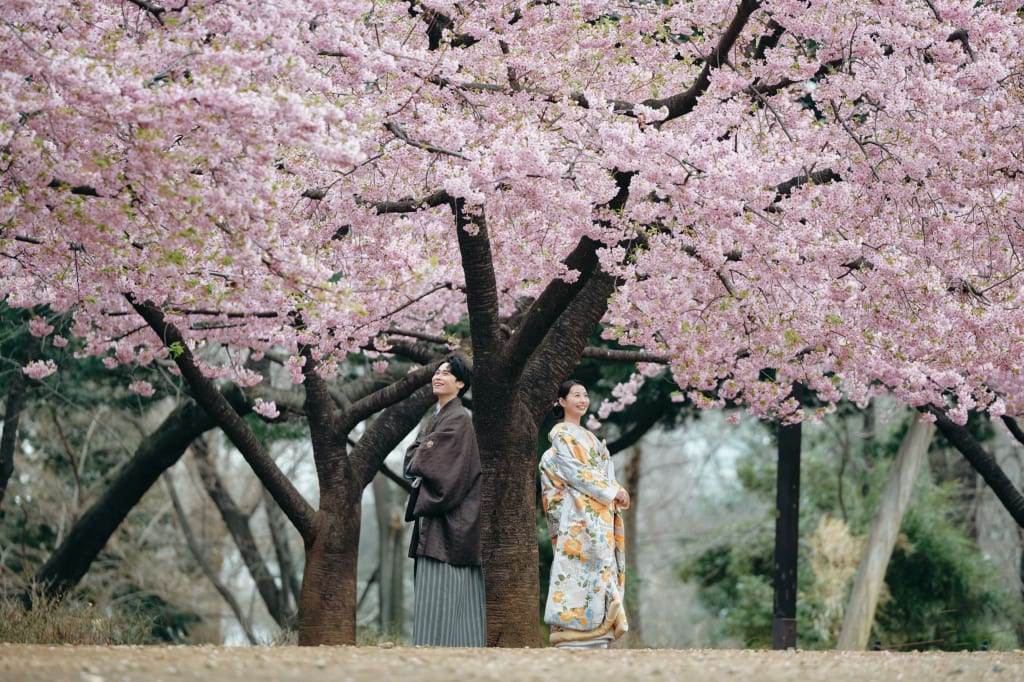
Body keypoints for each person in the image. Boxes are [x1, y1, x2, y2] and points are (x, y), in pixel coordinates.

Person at [539, 379, 630, 649]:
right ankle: (570, 632)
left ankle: (599, 632)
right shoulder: (560, 435)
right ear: (562, 401)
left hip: (597, 513)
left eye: (585, 395)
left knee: (602, 567)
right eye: (576, 395)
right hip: (576, 515)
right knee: (574, 570)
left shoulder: (591, 438)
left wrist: (616, 489)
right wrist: (611, 491)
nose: (582, 400)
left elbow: (603, 473)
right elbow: (574, 472)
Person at [403, 354, 486, 646]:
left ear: (460, 383)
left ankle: (446, 648)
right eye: (437, 372)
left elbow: (433, 466)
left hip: (453, 520)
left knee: (449, 589)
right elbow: (413, 458)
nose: (438, 377)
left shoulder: (459, 420)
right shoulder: (439, 418)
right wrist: (422, 456)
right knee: (437, 589)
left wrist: (421, 457)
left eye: (447, 373)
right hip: (439, 518)